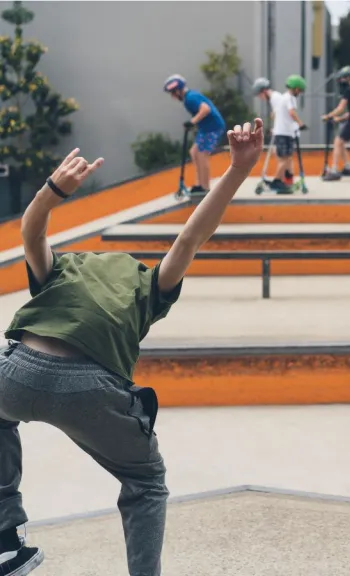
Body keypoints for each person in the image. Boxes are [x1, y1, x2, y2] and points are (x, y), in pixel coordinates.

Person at [0, 118, 264, 575]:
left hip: (16, 372)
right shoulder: (148, 285)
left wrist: (52, 191)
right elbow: (190, 237)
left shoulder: (63, 270)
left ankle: (5, 539)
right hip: (91, 389)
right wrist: (239, 169)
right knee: (146, 482)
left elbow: (32, 232)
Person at [163, 74, 226, 194]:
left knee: (202, 155)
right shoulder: (188, 98)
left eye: (172, 93)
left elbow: (205, 109)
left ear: (178, 90)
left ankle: (205, 188)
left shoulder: (190, 98)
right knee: (194, 152)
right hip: (205, 128)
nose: (172, 96)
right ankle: (199, 184)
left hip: (213, 128)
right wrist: (192, 124)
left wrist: (192, 122)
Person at [321, 66, 350, 181]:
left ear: (348, 78)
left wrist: (328, 116)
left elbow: (340, 108)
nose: (341, 81)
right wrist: (339, 119)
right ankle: (348, 168)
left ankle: (334, 170)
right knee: (341, 142)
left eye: (342, 79)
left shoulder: (349, 91)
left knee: (337, 141)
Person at [269, 75, 307, 192]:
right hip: (285, 133)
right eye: (299, 90)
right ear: (295, 88)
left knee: (284, 158)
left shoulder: (283, 97)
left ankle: (282, 180)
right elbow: (292, 112)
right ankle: (277, 181)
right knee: (286, 158)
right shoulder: (290, 98)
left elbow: (273, 115)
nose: (299, 93)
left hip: (280, 132)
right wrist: (300, 124)